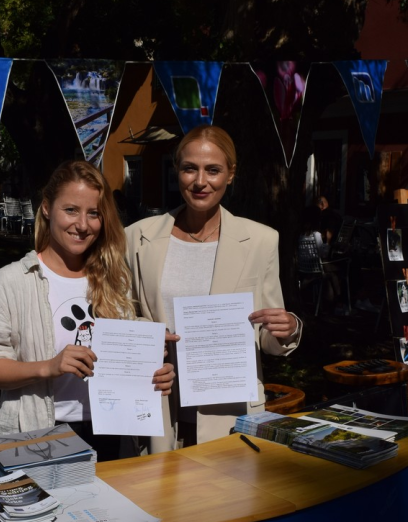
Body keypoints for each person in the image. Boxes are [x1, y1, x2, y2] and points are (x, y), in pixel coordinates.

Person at [0, 160, 175, 460]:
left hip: (114, 431)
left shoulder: (116, 279)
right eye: (71, 210)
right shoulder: (11, 281)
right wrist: (48, 367)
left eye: (93, 213)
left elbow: (126, 362)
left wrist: (152, 370)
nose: (82, 224)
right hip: (42, 432)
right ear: (46, 208)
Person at [125, 125, 302, 452]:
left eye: (213, 170)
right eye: (190, 168)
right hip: (160, 409)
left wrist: (286, 328)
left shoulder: (261, 240)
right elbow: (122, 317)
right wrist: (144, 335)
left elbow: (268, 334)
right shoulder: (136, 237)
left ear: (231, 174)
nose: (200, 181)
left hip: (229, 413)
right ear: (177, 171)